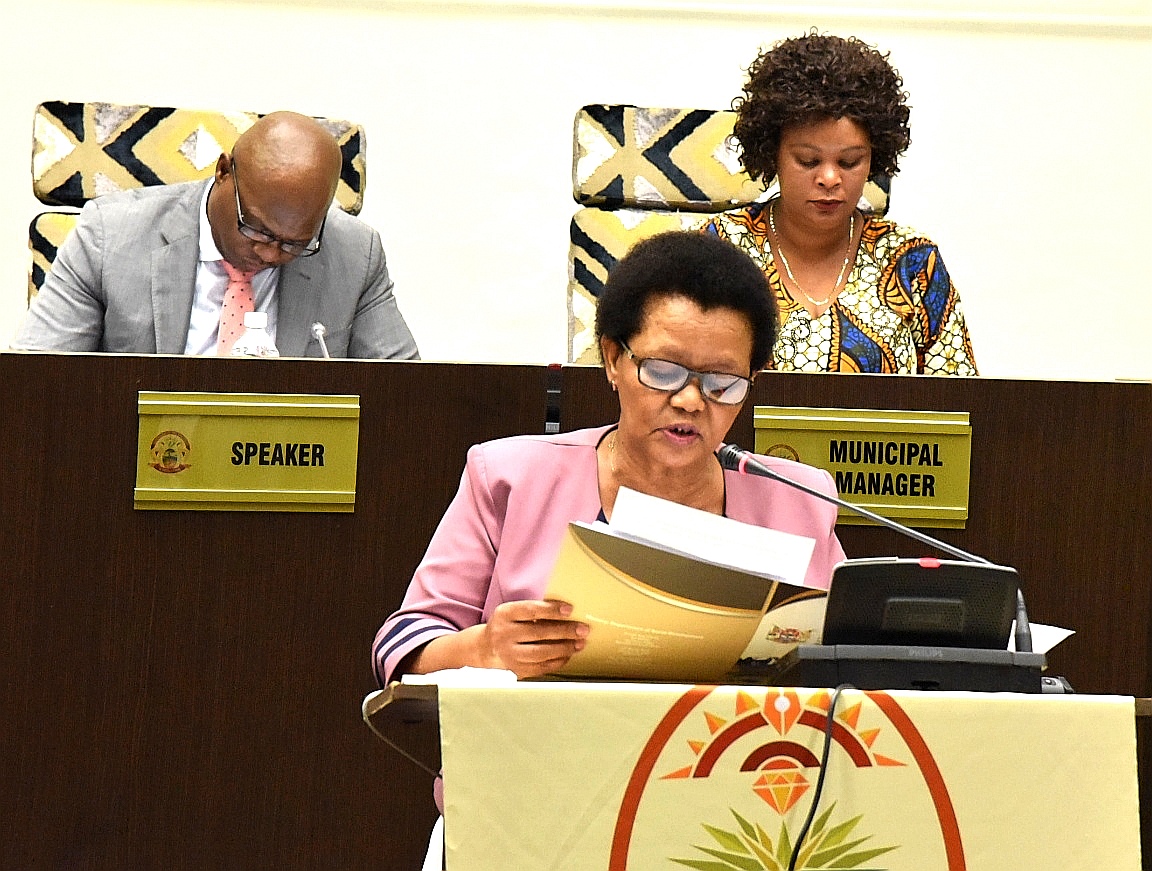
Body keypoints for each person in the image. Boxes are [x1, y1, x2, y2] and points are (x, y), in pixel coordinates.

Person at [373, 231, 845, 688]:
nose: (690, 401)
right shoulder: (510, 478)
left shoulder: (800, 501)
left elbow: (854, 655)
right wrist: (484, 649)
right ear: (613, 359)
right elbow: (402, 645)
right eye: (663, 371)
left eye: (722, 381)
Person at [14, 111, 419, 359]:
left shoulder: (356, 254)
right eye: (256, 229)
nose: (270, 254)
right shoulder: (109, 236)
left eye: (295, 244)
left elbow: (405, 399)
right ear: (223, 172)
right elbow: (36, 383)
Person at [700, 31, 978, 375]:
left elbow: (959, 396)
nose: (829, 178)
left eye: (849, 162)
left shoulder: (912, 262)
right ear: (773, 154)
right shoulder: (719, 248)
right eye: (808, 161)